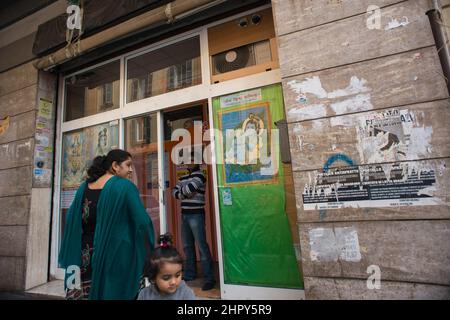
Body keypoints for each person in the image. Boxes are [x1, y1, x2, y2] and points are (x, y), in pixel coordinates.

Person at [58, 149, 154, 300]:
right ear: (115, 166)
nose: (130, 170)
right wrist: (150, 251)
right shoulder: (124, 186)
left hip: (85, 257)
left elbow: (72, 218)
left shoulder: (84, 187)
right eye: (128, 165)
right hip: (116, 257)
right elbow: (143, 222)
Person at [172, 150, 216, 291]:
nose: (189, 162)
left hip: (196, 214)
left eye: (192, 159)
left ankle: (209, 278)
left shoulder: (201, 175)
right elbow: (175, 193)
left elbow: (188, 189)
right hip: (185, 214)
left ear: (198, 161)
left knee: (202, 246)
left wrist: (183, 192)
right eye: (188, 159)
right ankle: (190, 274)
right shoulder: (183, 177)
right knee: (187, 246)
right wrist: (186, 193)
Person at [137, 234, 196, 300]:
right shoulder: (145, 295)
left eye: (177, 275)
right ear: (153, 278)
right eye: (166, 278)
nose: (173, 282)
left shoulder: (186, 294)